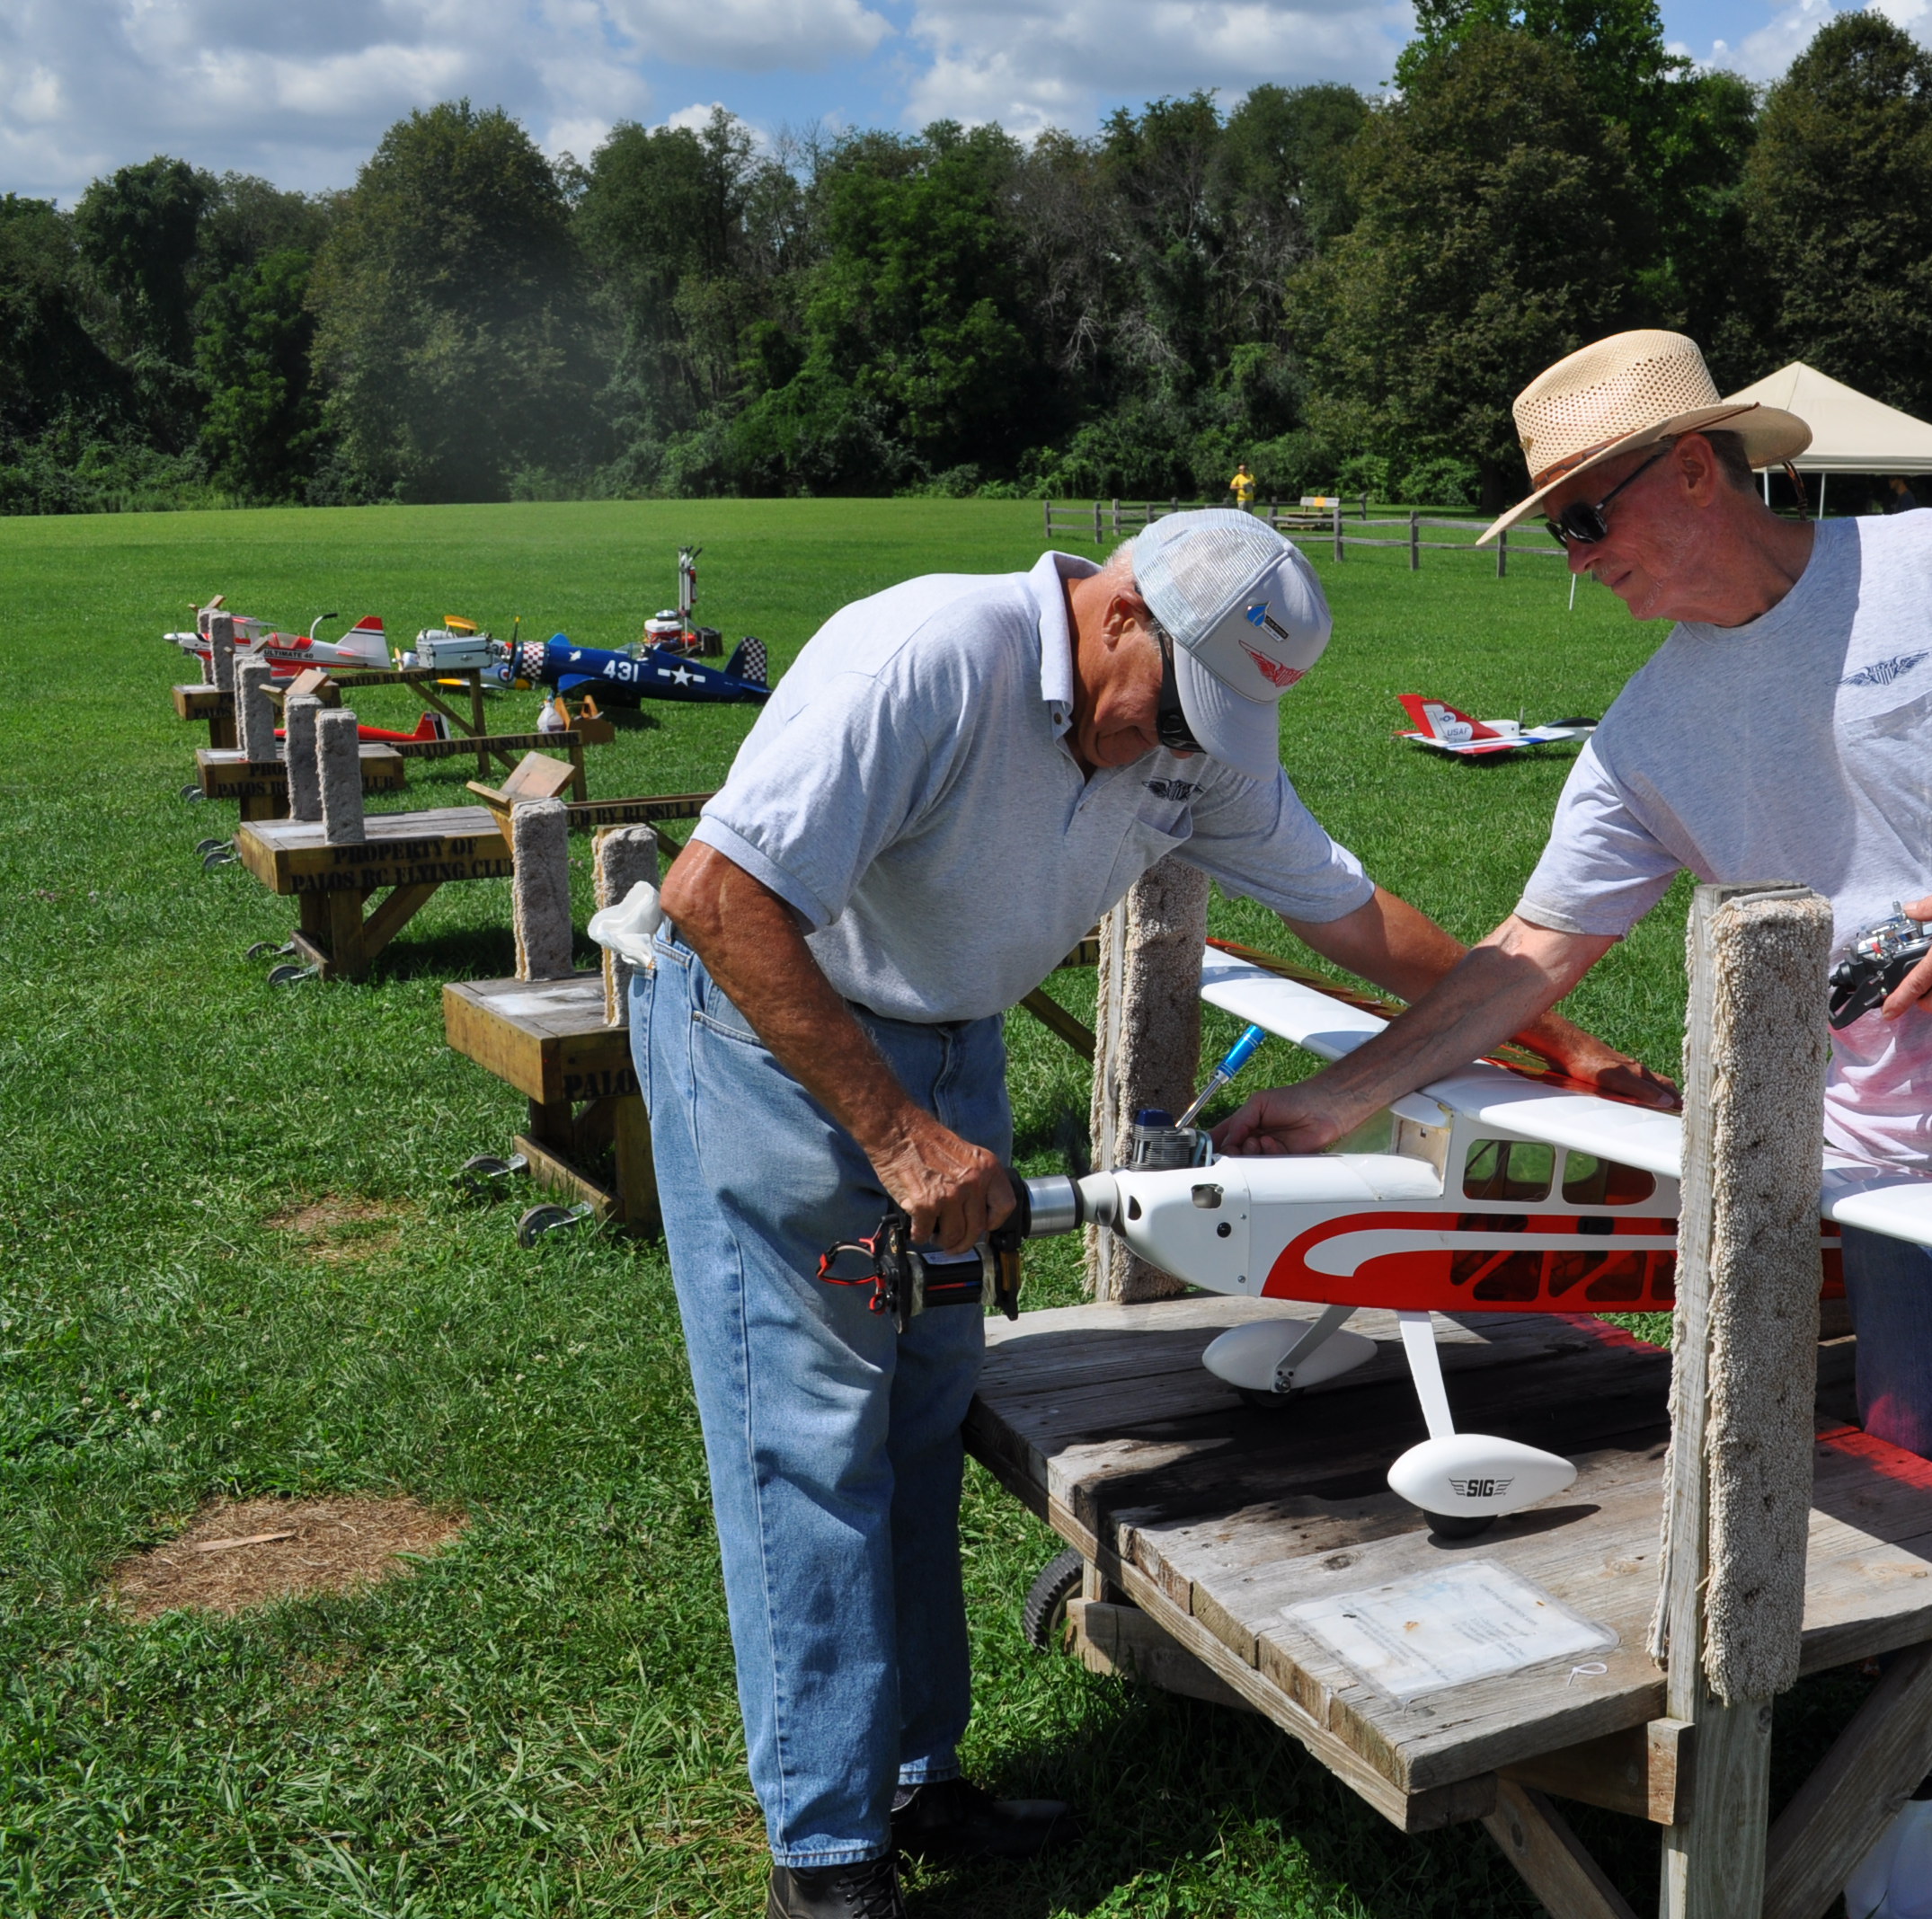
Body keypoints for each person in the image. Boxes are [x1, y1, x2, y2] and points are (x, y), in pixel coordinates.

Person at [1213, 332, 1932, 1918]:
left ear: (1692, 468)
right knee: (1918, 1481)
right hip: (1887, 1143)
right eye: (1558, 527)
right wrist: (1347, 1092)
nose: (1578, 560)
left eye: (1585, 518)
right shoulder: (1645, 728)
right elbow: (1530, 956)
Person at [639, 510, 1661, 1919]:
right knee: (812, 1443)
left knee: (923, 1413)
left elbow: (1353, 916)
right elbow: (717, 895)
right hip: (772, 1035)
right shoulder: (929, 655)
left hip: (947, 1040)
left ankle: (919, 1774)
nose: (1186, 745)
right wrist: (895, 1131)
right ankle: (827, 1861)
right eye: (1178, 707)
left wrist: (1568, 1046)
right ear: (1119, 614)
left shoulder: (1192, 738)